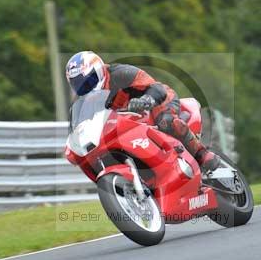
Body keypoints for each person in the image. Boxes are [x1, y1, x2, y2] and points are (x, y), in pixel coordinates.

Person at [65, 51, 220, 172]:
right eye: (81, 86)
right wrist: (73, 148)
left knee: (165, 122)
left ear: (99, 70)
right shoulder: (84, 103)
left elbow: (156, 88)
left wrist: (146, 100)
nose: (87, 88)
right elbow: (81, 128)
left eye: (90, 81)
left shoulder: (121, 74)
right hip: (128, 125)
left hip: (157, 102)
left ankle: (201, 154)